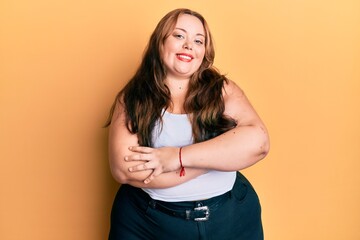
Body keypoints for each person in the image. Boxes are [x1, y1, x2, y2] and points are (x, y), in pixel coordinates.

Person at [105, 8, 270, 240]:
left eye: (198, 40)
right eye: (179, 35)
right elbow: (124, 170)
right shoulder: (133, 96)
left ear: (205, 51)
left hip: (230, 219)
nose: (188, 45)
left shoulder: (223, 90)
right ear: (159, 42)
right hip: (147, 223)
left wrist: (176, 158)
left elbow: (259, 142)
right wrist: (214, 160)